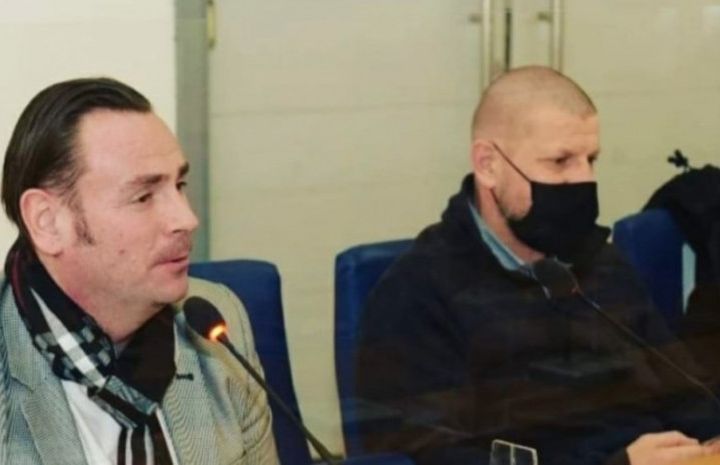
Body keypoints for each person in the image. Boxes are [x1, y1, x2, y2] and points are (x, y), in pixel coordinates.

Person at [356, 66, 720, 465]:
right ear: (488, 165)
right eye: (560, 161)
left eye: (591, 159)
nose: (583, 179)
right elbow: (435, 454)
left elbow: (685, 390)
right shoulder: (416, 292)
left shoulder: (602, 263)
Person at [0, 78, 279, 465]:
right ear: (48, 222)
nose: (186, 219)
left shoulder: (216, 323)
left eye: (179, 185)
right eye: (144, 196)